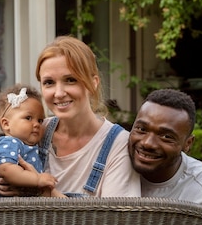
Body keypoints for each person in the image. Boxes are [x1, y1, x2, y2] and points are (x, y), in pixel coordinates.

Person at [28, 35, 141, 197]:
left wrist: (46, 192)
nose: (59, 93)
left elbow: (117, 220)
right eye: (49, 82)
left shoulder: (118, 144)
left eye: (70, 80)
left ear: (93, 83)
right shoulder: (36, 132)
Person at [129, 88, 202, 216]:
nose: (147, 143)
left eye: (166, 137)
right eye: (141, 129)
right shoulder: (113, 160)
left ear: (188, 144)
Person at [0, 83, 63, 197]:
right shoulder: (9, 143)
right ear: (6, 124)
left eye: (40, 120)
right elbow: (6, 169)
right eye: (28, 118)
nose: (37, 124)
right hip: (5, 208)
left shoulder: (32, 146)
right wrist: (37, 179)